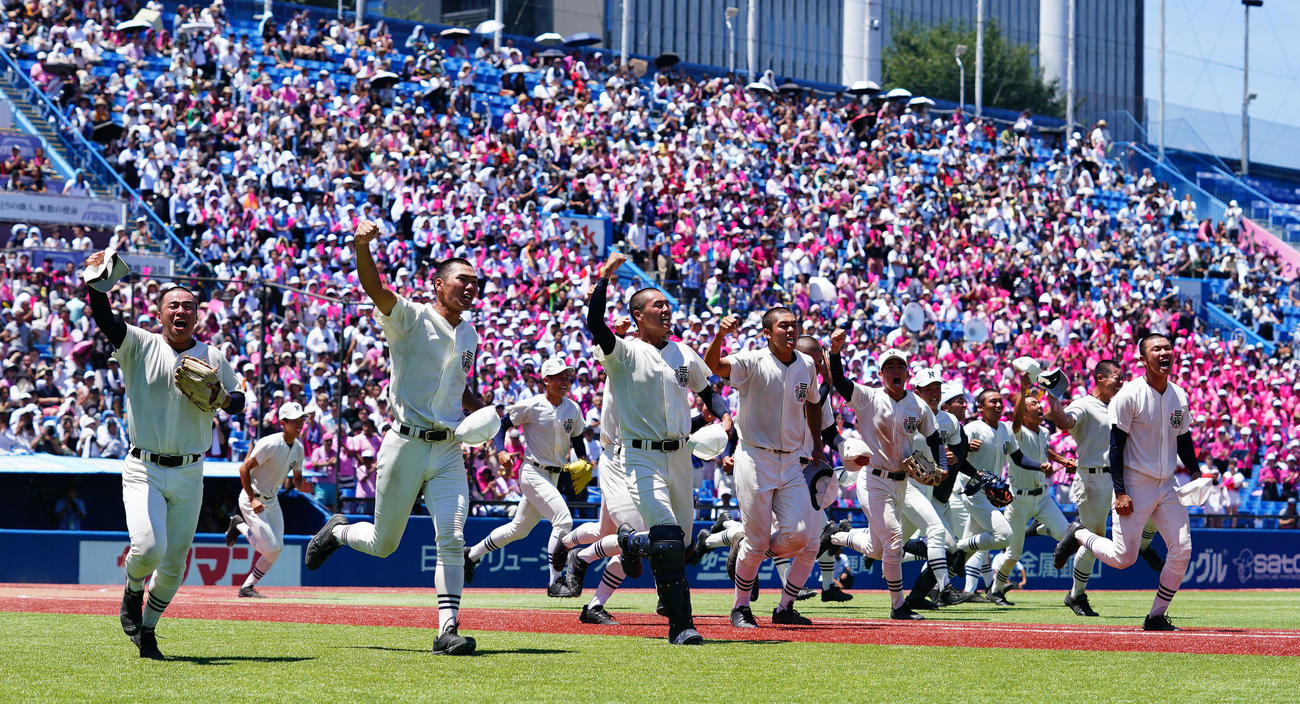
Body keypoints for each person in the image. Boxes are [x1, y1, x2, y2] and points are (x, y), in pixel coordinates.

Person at [302, 220, 485, 656]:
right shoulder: (410, 316)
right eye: (464, 280)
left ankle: (447, 630)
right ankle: (339, 532)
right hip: (404, 443)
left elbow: (461, 383)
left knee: (453, 537)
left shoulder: (471, 333)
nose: (471, 287)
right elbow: (374, 287)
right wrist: (362, 247)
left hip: (447, 448)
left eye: (476, 283)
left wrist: (484, 413)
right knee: (384, 544)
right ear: (437, 284)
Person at [85, 253, 244, 660]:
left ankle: (149, 630)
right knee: (150, 546)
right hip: (144, 468)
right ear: (159, 315)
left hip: (191, 472)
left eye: (188, 306)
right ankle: (132, 591)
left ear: (197, 316)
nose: (181, 311)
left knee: (174, 567)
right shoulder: (140, 343)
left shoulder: (213, 355)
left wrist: (225, 398)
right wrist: (94, 283)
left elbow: (238, 401)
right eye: (173, 305)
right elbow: (105, 319)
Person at [585, 252, 729, 645]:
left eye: (667, 304)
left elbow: (708, 394)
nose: (666, 310)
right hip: (640, 455)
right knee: (665, 536)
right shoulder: (624, 351)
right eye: (656, 305)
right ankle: (682, 626)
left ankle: (633, 546)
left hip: (680, 456)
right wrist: (604, 279)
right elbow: (595, 323)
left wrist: (725, 417)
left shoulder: (684, 353)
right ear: (637, 315)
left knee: (679, 545)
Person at [1053, 333, 1199, 631]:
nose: (1163, 352)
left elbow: (1183, 439)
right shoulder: (1128, 395)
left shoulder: (1179, 395)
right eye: (1155, 349)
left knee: (1182, 548)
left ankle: (1156, 616)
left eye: (1167, 347)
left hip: (1167, 484)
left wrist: (1196, 473)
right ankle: (1080, 533)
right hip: (1134, 484)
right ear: (1143, 360)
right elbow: (1116, 446)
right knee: (1123, 559)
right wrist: (1120, 491)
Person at [704, 307, 823, 628]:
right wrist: (719, 336)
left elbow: (813, 403)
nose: (791, 330)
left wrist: (818, 448)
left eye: (794, 325)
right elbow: (712, 366)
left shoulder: (807, 364)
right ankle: (740, 606)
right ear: (767, 333)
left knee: (800, 536)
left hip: (791, 460)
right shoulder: (751, 361)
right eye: (783, 326)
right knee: (758, 542)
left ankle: (746, 548)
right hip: (755, 458)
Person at [825, 336, 950, 620]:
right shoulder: (869, 397)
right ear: (881, 374)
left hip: (902, 482)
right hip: (873, 478)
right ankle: (898, 605)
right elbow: (841, 383)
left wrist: (941, 467)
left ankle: (835, 536)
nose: (895, 370)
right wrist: (835, 351)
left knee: (877, 549)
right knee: (894, 540)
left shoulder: (917, 405)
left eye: (900, 366)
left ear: (907, 373)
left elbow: (934, 440)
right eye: (889, 366)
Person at [1044, 360, 1165, 617]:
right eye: (1116, 378)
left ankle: (1142, 546)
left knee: (1155, 510)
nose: (1120, 382)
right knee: (1094, 539)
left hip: (1122, 478)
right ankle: (1076, 594)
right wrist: (1053, 396)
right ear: (1100, 378)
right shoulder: (1084, 404)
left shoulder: (1120, 406)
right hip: (1093, 479)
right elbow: (1064, 421)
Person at [465, 357, 587, 594]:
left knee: (517, 530)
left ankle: (471, 555)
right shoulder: (532, 405)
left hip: (553, 476)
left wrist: (583, 459)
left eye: (567, 376)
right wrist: (500, 451)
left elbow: (577, 437)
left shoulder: (573, 408)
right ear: (546, 380)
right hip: (533, 471)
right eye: (559, 376)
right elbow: (502, 425)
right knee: (563, 521)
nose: (565, 380)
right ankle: (555, 582)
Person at [987, 374, 1070, 601]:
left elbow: (1044, 451)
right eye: (1033, 404)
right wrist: (1023, 392)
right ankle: (995, 590)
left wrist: (1061, 461)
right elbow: (1015, 423)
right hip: (1019, 500)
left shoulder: (1044, 431)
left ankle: (1041, 528)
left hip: (1042, 498)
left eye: (1038, 402)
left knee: (1067, 536)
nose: (1039, 405)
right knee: (1013, 554)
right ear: (1023, 412)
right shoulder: (1015, 431)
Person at [225, 401, 311, 598]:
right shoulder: (270, 443)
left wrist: (302, 487)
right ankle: (238, 524)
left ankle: (247, 587)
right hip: (252, 499)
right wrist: (252, 499)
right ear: (282, 422)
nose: (299, 424)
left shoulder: (298, 448)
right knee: (271, 547)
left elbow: (296, 479)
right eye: (294, 421)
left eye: (301, 420)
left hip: (271, 500)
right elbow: (243, 468)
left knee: (276, 549)